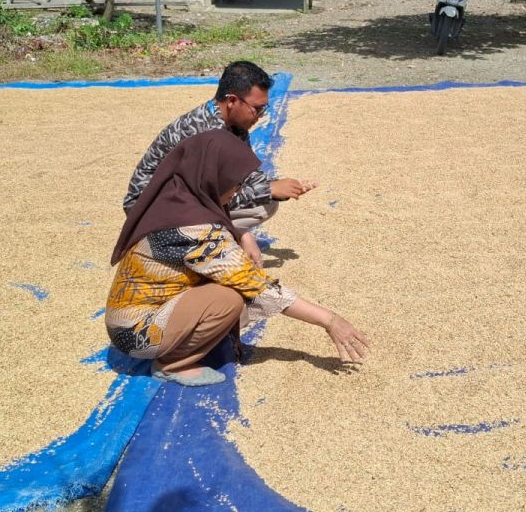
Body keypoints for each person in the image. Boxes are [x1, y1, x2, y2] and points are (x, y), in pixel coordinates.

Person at [106, 130, 370, 386]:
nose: (237, 190)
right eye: (233, 183)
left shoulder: (177, 196)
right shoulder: (195, 231)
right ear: (211, 177)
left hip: (130, 317)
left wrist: (242, 234)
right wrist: (329, 320)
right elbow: (257, 286)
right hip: (137, 333)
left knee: (228, 287)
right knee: (228, 299)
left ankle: (180, 338)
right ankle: (172, 363)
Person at [122, 61, 315, 267]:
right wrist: (260, 202)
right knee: (264, 198)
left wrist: (278, 187)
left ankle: (219, 237)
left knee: (266, 203)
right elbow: (207, 196)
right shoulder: (207, 135)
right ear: (232, 101)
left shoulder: (233, 124)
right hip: (149, 207)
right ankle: (202, 243)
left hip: (184, 196)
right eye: (257, 109)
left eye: (264, 108)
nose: (261, 115)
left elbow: (246, 176)